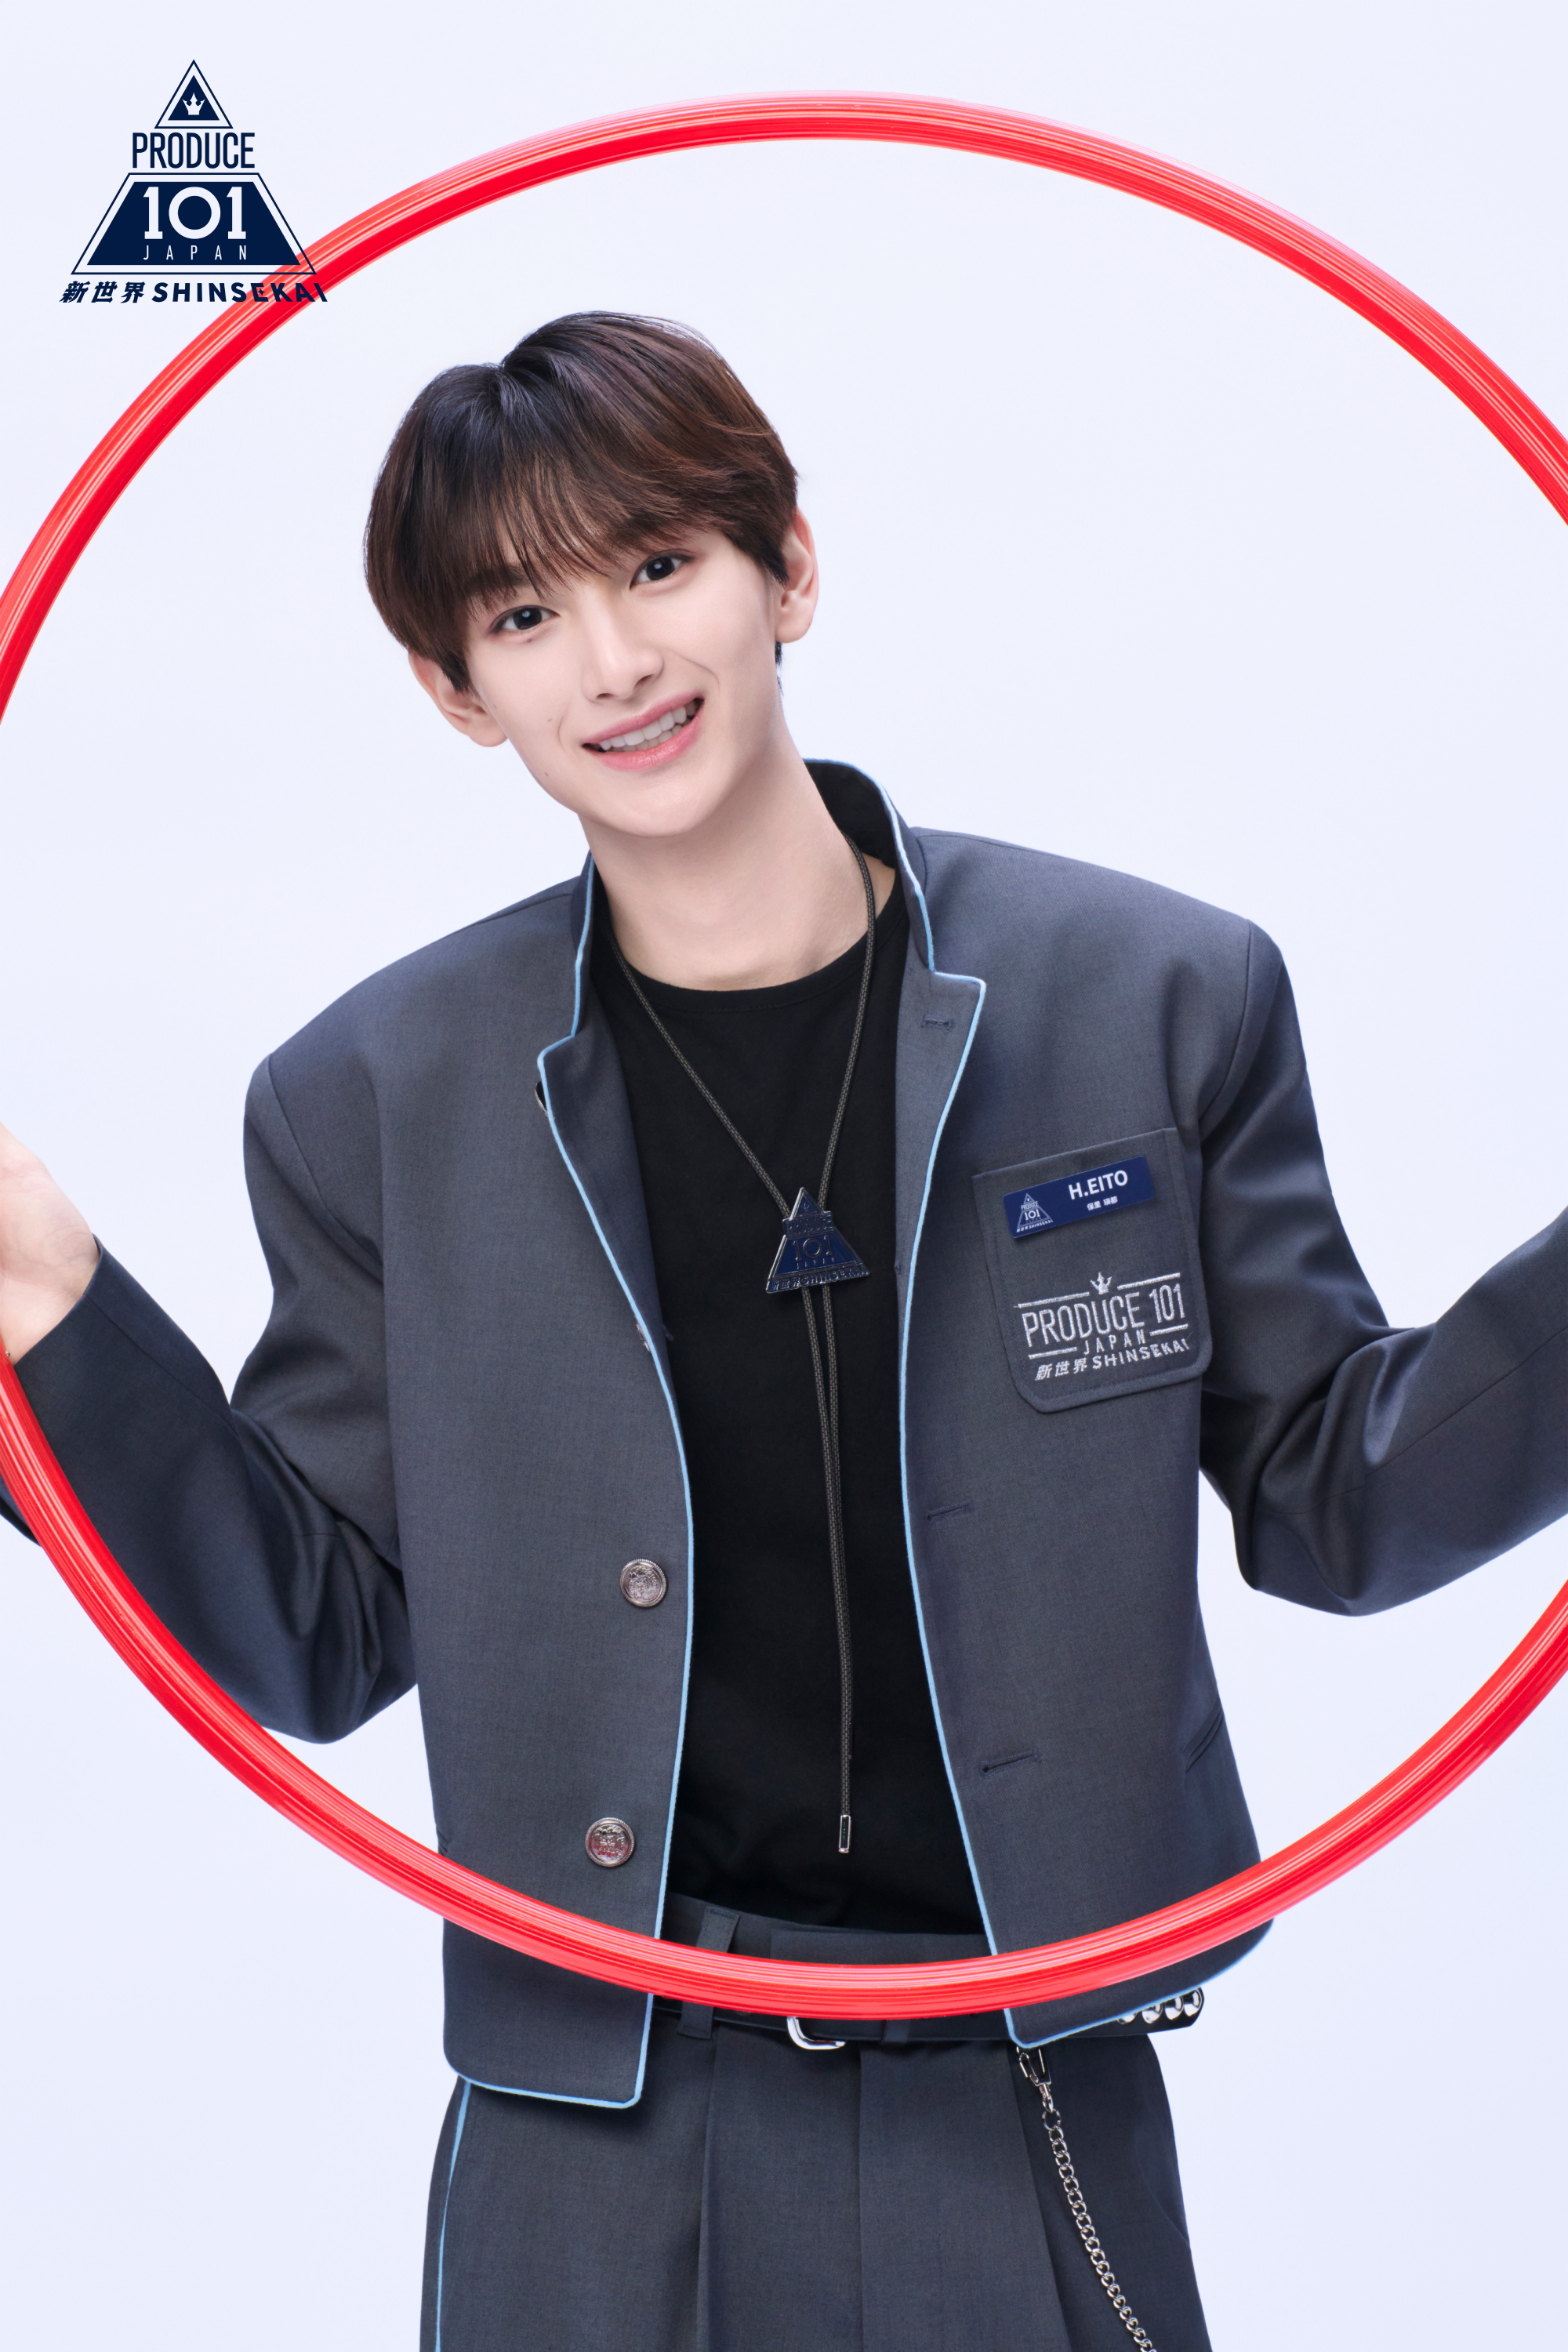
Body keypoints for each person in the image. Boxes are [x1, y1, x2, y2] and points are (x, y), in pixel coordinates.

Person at [1, 312, 1562, 2352]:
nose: (614, 662)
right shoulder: (373, 1097)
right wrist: (44, 1305)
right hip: (595, 2125)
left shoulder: (1157, 996)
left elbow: (1335, 1499)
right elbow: (317, 1631)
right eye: (526, 615)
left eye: (660, 566)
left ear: (788, 568)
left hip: (1030, 2080)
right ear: (457, 690)